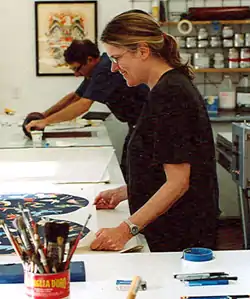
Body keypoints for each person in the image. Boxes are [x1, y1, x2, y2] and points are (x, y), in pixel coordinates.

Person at [90, 11, 219, 252]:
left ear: (142, 50)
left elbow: (178, 183)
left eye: (117, 58)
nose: (114, 69)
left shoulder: (170, 94)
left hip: (180, 233)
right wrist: (126, 191)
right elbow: (166, 164)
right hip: (172, 226)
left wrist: (123, 230)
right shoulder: (166, 87)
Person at [25, 39, 148, 179]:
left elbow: (83, 104)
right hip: (137, 124)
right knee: (128, 169)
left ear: (90, 60)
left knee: (135, 172)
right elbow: (75, 97)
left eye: (77, 69)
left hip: (147, 124)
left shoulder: (105, 68)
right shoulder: (96, 70)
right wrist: (43, 115)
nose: (76, 74)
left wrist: (45, 122)